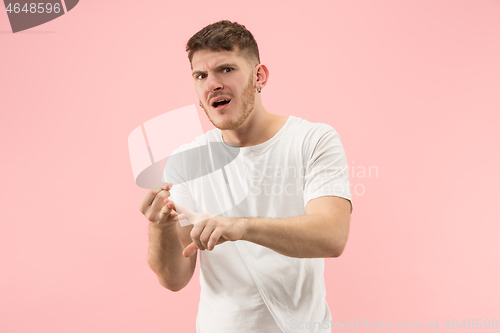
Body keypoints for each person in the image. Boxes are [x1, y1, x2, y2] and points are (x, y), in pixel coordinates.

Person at [139, 20, 353, 333]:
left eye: (226, 69)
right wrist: (161, 227)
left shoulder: (314, 140)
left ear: (259, 77)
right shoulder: (187, 161)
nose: (212, 83)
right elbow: (174, 278)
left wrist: (242, 227)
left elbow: (332, 236)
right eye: (201, 75)